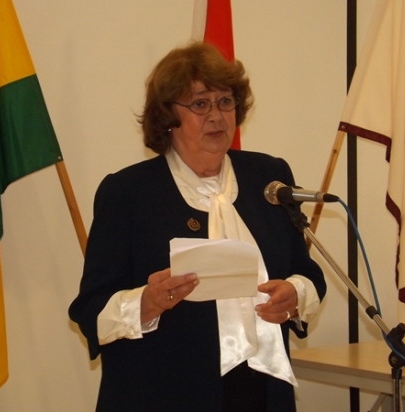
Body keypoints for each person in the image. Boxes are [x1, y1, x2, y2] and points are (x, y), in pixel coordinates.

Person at [68, 41, 326, 412]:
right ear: (167, 116)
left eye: (226, 102)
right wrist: (146, 302)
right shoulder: (128, 193)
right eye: (200, 104)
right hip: (161, 395)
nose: (217, 116)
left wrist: (295, 294)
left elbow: (307, 272)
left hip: (261, 394)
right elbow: (89, 311)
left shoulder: (268, 178)